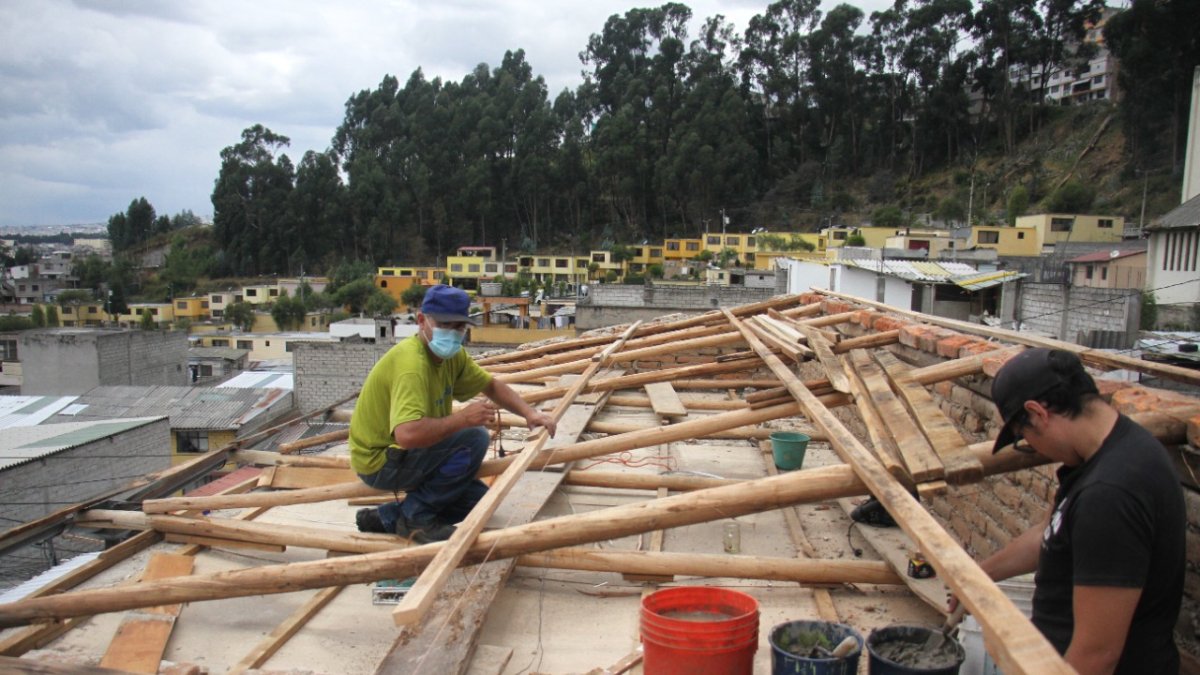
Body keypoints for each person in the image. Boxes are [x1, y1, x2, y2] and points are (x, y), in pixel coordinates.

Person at [966, 348, 1184, 674]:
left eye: (1024, 438)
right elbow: (1047, 533)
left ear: (1037, 413)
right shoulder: (1107, 452)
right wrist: (975, 578)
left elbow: (1097, 654)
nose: (1033, 449)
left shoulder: (1110, 495)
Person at [349, 284, 557, 543]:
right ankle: (416, 518)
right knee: (474, 438)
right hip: (380, 461)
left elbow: (490, 385)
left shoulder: (452, 357)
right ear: (422, 321)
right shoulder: (412, 366)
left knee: (478, 502)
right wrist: (463, 419)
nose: (452, 333)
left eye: (459, 327)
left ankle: (387, 517)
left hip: (407, 454)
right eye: (444, 325)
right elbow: (407, 435)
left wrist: (529, 413)